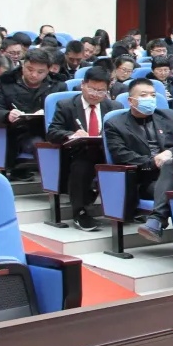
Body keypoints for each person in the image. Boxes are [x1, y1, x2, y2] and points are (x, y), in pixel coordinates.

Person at [102, 78, 173, 242]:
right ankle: (158, 221)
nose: (150, 99)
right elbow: (121, 155)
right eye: (144, 95)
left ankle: (157, 220)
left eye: (153, 95)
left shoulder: (169, 116)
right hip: (145, 179)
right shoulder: (115, 124)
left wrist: (168, 153)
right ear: (131, 101)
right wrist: (153, 161)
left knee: (172, 166)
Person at [45, 67, 119, 230]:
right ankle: (80, 212)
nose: (95, 94)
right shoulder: (66, 106)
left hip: (106, 151)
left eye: (101, 91)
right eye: (92, 89)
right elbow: (53, 132)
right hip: (77, 152)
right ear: (83, 85)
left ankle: (128, 209)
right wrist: (72, 134)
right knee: (83, 164)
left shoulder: (114, 107)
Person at [0, 48, 68, 179]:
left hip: (50, 130)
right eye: (30, 69)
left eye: (40, 72)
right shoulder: (5, 82)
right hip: (17, 131)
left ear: (48, 70)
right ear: (23, 64)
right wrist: (7, 114)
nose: (34, 75)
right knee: (39, 143)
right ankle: (55, 181)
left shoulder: (58, 86)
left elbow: (65, 112)